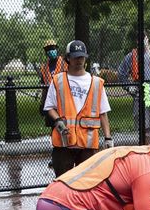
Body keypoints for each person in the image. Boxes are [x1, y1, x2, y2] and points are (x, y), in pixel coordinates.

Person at [43, 40, 113, 177]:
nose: (79, 60)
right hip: (64, 143)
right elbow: (50, 107)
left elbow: (103, 113)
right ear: (68, 58)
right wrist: (57, 120)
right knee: (63, 183)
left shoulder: (97, 83)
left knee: (86, 184)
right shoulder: (58, 80)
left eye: (81, 56)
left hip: (87, 145)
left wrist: (108, 138)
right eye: (75, 57)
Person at [38, 39, 68, 127]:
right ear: (46, 52)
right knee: (54, 127)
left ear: (56, 49)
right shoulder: (44, 68)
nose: (51, 51)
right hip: (51, 101)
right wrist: (43, 102)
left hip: (64, 99)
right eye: (48, 49)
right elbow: (44, 87)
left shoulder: (65, 63)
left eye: (52, 48)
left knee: (66, 126)